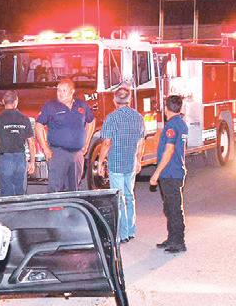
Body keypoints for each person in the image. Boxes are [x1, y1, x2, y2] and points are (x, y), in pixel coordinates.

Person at [100, 86, 145, 243]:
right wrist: (138, 160)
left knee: (119, 198)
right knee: (129, 196)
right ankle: (131, 230)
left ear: (114, 100)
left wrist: (100, 162)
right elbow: (141, 142)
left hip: (116, 164)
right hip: (130, 162)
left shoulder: (111, 118)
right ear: (130, 99)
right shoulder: (138, 117)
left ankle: (123, 233)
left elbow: (106, 143)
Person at [35, 78, 96, 192]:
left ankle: (71, 204)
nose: (60, 93)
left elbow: (91, 121)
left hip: (77, 154)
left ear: (72, 91)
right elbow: (38, 126)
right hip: (58, 153)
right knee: (55, 188)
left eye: (64, 90)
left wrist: (86, 143)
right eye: (58, 90)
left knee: (74, 188)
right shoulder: (51, 106)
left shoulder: (81, 105)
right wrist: (45, 149)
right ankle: (55, 204)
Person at [149, 95, 189, 253]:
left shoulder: (171, 126)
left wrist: (156, 173)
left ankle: (178, 242)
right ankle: (172, 238)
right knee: (169, 207)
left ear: (166, 108)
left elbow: (169, 150)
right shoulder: (181, 123)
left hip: (170, 173)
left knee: (174, 209)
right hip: (175, 171)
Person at [0, 90, 36, 197]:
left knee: (7, 193)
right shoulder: (25, 119)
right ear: (16, 102)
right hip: (20, 159)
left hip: (5, 159)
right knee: (20, 192)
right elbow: (31, 143)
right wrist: (32, 162)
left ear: (3, 101)